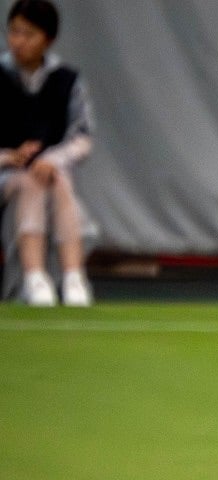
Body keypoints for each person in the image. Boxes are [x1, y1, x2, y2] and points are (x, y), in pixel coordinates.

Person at [1, 0, 93, 306]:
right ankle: (33, 277)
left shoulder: (66, 79)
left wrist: (51, 159)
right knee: (30, 182)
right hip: (5, 173)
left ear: (48, 39)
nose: (18, 41)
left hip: (46, 172)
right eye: (14, 32)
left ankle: (73, 276)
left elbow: (82, 137)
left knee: (56, 180)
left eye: (28, 34)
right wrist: (9, 157)